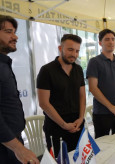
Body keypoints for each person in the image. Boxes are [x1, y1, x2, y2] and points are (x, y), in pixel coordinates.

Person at [37, 34, 85, 155]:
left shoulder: (78, 69)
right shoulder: (46, 70)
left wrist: (80, 118)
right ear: (60, 48)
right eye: (70, 49)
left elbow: (82, 96)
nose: (74, 54)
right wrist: (64, 125)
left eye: (77, 51)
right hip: (56, 126)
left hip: (77, 124)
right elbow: (43, 103)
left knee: (79, 159)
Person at [0, 15, 39, 164]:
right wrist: (19, 149)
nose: (15, 36)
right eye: (9, 31)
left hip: (12, 140)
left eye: (14, 32)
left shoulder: (4, 64)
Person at [87, 29, 115, 138]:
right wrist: (111, 107)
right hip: (102, 114)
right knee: (102, 148)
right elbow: (92, 88)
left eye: (113, 39)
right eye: (107, 39)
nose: (111, 42)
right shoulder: (94, 62)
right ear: (100, 43)